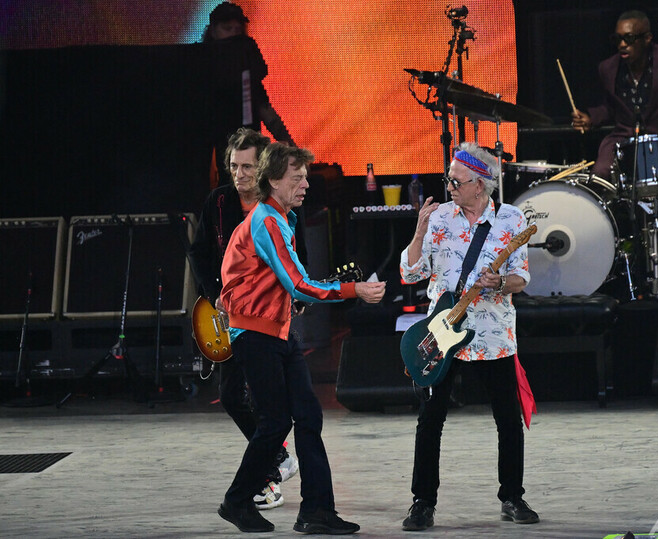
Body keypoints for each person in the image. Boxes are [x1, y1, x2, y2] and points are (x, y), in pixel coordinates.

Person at [217, 142, 386, 534]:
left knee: (308, 415)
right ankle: (237, 501)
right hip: (255, 333)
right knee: (275, 422)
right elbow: (298, 284)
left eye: (305, 177)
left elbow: (281, 285)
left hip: (276, 331)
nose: (306, 184)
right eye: (297, 177)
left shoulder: (282, 218)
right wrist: (353, 290)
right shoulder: (267, 221)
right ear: (274, 180)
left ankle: (316, 511)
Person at [399, 142, 537, 531]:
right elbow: (410, 274)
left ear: (480, 184)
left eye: (456, 181)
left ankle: (512, 496)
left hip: (493, 333)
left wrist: (500, 282)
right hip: (442, 333)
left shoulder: (511, 220)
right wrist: (419, 231)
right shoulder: (440, 218)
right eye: (448, 180)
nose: (449, 187)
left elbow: (522, 278)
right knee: (430, 419)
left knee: (507, 418)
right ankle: (422, 502)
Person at [188, 127, 301, 511]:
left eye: (248, 167)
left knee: (270, 401)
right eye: (234, 166)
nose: (239, 174)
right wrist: (214, 293)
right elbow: (199, 253)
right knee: (232, 397)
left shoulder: (279, 207)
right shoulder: (219, 202)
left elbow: (295, 260)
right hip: (228, 316)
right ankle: (276, 459)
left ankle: (269, 478)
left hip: (266, 318)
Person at [571, 10, 658, 284]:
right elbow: (610, 108)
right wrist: (591, 118)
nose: (622, 45)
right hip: (625, 138)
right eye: (617, 39)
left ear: (648, 38)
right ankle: (619, 243)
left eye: (629, 38)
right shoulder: (608, 68)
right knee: (600, 175)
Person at [202, 2, 296, 188]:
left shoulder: (247, 68)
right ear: (213, 31)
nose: (234, 34)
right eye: (227, 28)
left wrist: (292, 148)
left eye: (238, 29)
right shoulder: (202, 66)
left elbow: (265, 110)